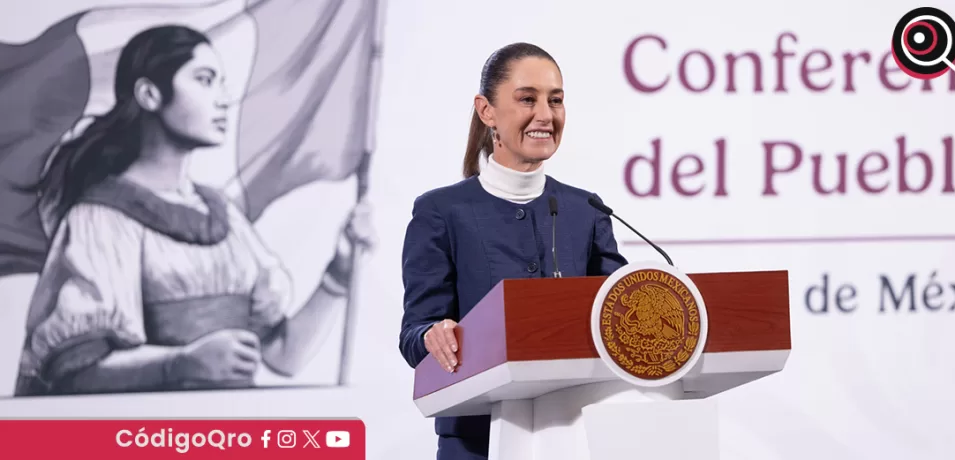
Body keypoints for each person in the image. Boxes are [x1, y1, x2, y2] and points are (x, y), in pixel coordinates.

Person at [14, 25, 367, 396]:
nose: (223, 99)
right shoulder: (100, 219)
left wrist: (339, 273)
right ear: (149, 94)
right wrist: (180, 363)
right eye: (205, 79)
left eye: (220, 82)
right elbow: (75, 372)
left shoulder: (224, 216)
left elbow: (283, 355)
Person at [398, 42, 629, 460]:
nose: (546, 114)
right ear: (487, 111)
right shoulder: (440, 212)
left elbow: (623, 311)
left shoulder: (587, 210)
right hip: (475, 443)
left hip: (576, 438)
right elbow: (415, 333)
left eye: (555, 100)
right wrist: (433, 336)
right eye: (527, 99)